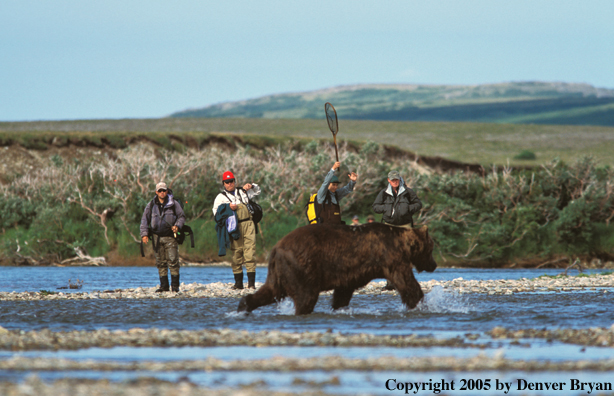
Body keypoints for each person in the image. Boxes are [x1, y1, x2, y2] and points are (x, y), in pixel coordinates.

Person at [372, 170, 422, 290]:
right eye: (392, 180)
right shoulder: (383, 193)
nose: (395, 181)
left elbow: (418, 204)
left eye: (397, 179)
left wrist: (408, 209)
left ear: (400, 180)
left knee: (406, 253)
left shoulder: (408, 192)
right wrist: (386, 209)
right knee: (388, 254)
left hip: (405, 226)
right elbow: (375, 207)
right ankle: (390, 283)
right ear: (389, 180)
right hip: (388, 225)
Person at [212, 171, 262, 289]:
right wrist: (228, 207)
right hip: (234, 227)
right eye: (227, 182)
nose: (230, 184)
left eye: (232, 181)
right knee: (237, 254)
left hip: (249, 224)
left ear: (235, 181)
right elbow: (216, 214)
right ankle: (238, 284)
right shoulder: (220, 197)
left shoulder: (242, 191)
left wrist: (251, 186)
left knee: (250, 253)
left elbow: (258, 191)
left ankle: (251, 285)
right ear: (223, 183)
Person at [140, 182, 186, 293]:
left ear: (167, 191)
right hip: (156, 237)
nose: (162, 193)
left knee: (173, 261)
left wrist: (177, 226)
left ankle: (175, 287)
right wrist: (144, 234)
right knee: (160, 262)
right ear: (156, 192)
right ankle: (164, 286)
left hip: (170, 237)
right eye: (160, 191)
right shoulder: (151, 205)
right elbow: (144, 220)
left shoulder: (174, 203)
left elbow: (181, 216)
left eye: (164, 190)